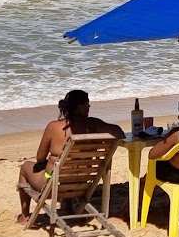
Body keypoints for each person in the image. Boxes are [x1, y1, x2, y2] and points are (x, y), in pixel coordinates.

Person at [17, 90, 124, 224]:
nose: (89, 107)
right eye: (87, 104)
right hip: (82, 184)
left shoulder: (54, 127)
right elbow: (120, 133)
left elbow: (40, 157)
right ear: (79, 107)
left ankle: (25, 216)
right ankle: (69, 207)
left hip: (53, 186)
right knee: (68, 169)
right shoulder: (94, 124)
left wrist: (47, 162)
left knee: (25, 167)